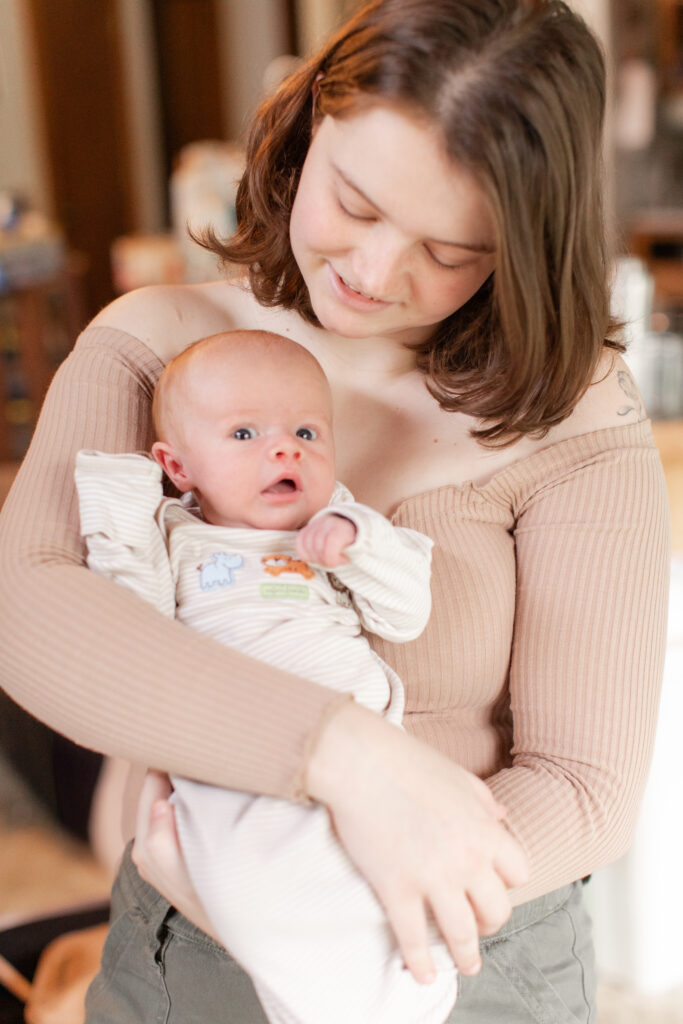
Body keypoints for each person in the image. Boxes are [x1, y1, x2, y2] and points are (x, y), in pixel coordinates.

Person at [0, 1, 670, 1021]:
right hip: (191, 965)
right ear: (308, 123)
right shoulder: (165, 345)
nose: (370, 273)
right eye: (353, 202)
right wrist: (341, 755)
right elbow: (30, 608)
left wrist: (304, 910)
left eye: (449, 250)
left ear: (523, 246)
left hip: (464, 952)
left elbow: (582, 788)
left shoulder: (573, 418)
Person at [75, 328, 457, 1024]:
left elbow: (405, 615)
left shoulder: (339, 527)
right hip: (230, 753)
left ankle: (387, 990)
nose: (285, 450)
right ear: (178, 466)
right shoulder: (177, 537)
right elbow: (128, 619)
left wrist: (357, 546)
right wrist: (122, 501)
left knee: (367, 880)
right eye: (244, 433)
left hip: (357, 743)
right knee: (255, 884)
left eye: (307, 430)